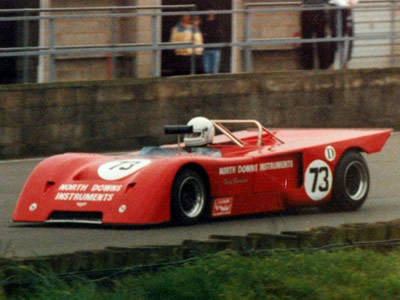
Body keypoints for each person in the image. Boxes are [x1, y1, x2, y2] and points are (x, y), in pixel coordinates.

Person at [300, 0, 331, 69]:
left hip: (307, 9)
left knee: (307, 40)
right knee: (321, 39)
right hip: (319, 9)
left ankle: (308, 66)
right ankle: (323, 66)